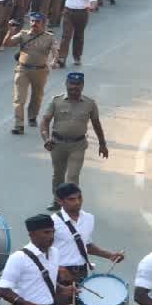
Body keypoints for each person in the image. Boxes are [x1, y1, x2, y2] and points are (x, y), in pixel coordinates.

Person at [40, 73, 108, 210]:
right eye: (72, 84)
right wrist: (46, 138)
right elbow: (45, 121)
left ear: (82, 85)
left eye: (78, 84)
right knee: (58, 175)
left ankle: (71, 205)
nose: (74, 87)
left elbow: (96, 124)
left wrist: (102, 143)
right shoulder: (56, 101)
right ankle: (57, 201)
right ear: (66, 84)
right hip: (57, 144)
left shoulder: (90, 103)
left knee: (72, 176)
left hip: (78, 145)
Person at [51, 182, 122, 287]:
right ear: (60, 201)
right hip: (61, 273)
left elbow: (86, 245)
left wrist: (110, 255)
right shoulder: (53, 221)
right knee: (63, 303)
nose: (77, 202)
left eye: (79, 198)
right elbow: (42, 250)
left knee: (81, 303)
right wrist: (58, 269)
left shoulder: (89, 218)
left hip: (82, 272)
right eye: (71, 199)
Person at [4, 12, 55, 135]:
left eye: (37, 22)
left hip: (40, 71)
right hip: (22, 69)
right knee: (18, 98)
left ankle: (32, 116)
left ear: (43, 24)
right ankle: (19, 125)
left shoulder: (49, 37)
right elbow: (6, 44)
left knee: (37, 96)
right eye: (32, 21)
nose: (34, 24)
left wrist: (54, 60)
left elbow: (55, 50)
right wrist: (10, 31)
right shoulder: (23, 34)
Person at [55, 0, 97, 68]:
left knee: (78, 35)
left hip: (82, 13)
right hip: (68, 12)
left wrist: (92, 7)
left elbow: (93, 1)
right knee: (66, 35)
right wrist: (61, 11)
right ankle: (61, 58)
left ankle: (77, 57)